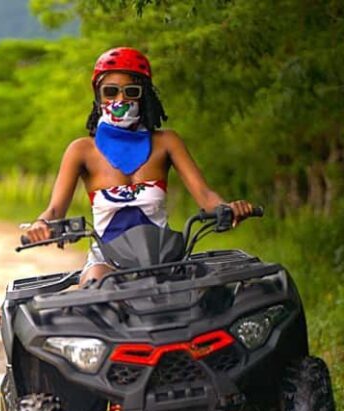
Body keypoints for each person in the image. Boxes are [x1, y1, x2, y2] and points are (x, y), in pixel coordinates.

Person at [24, 47, 254, 286]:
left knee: (206, 295)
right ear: (98, 97)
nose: (120, 100)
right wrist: (41, 225)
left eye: (130, 92)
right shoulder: (81, 151)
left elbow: (206, 196)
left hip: (164, 255)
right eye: (110, 92)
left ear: (144, 97)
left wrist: (228, 208)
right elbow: (54, 211)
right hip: (107, 259)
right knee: (98, 288)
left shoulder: (167, 143)